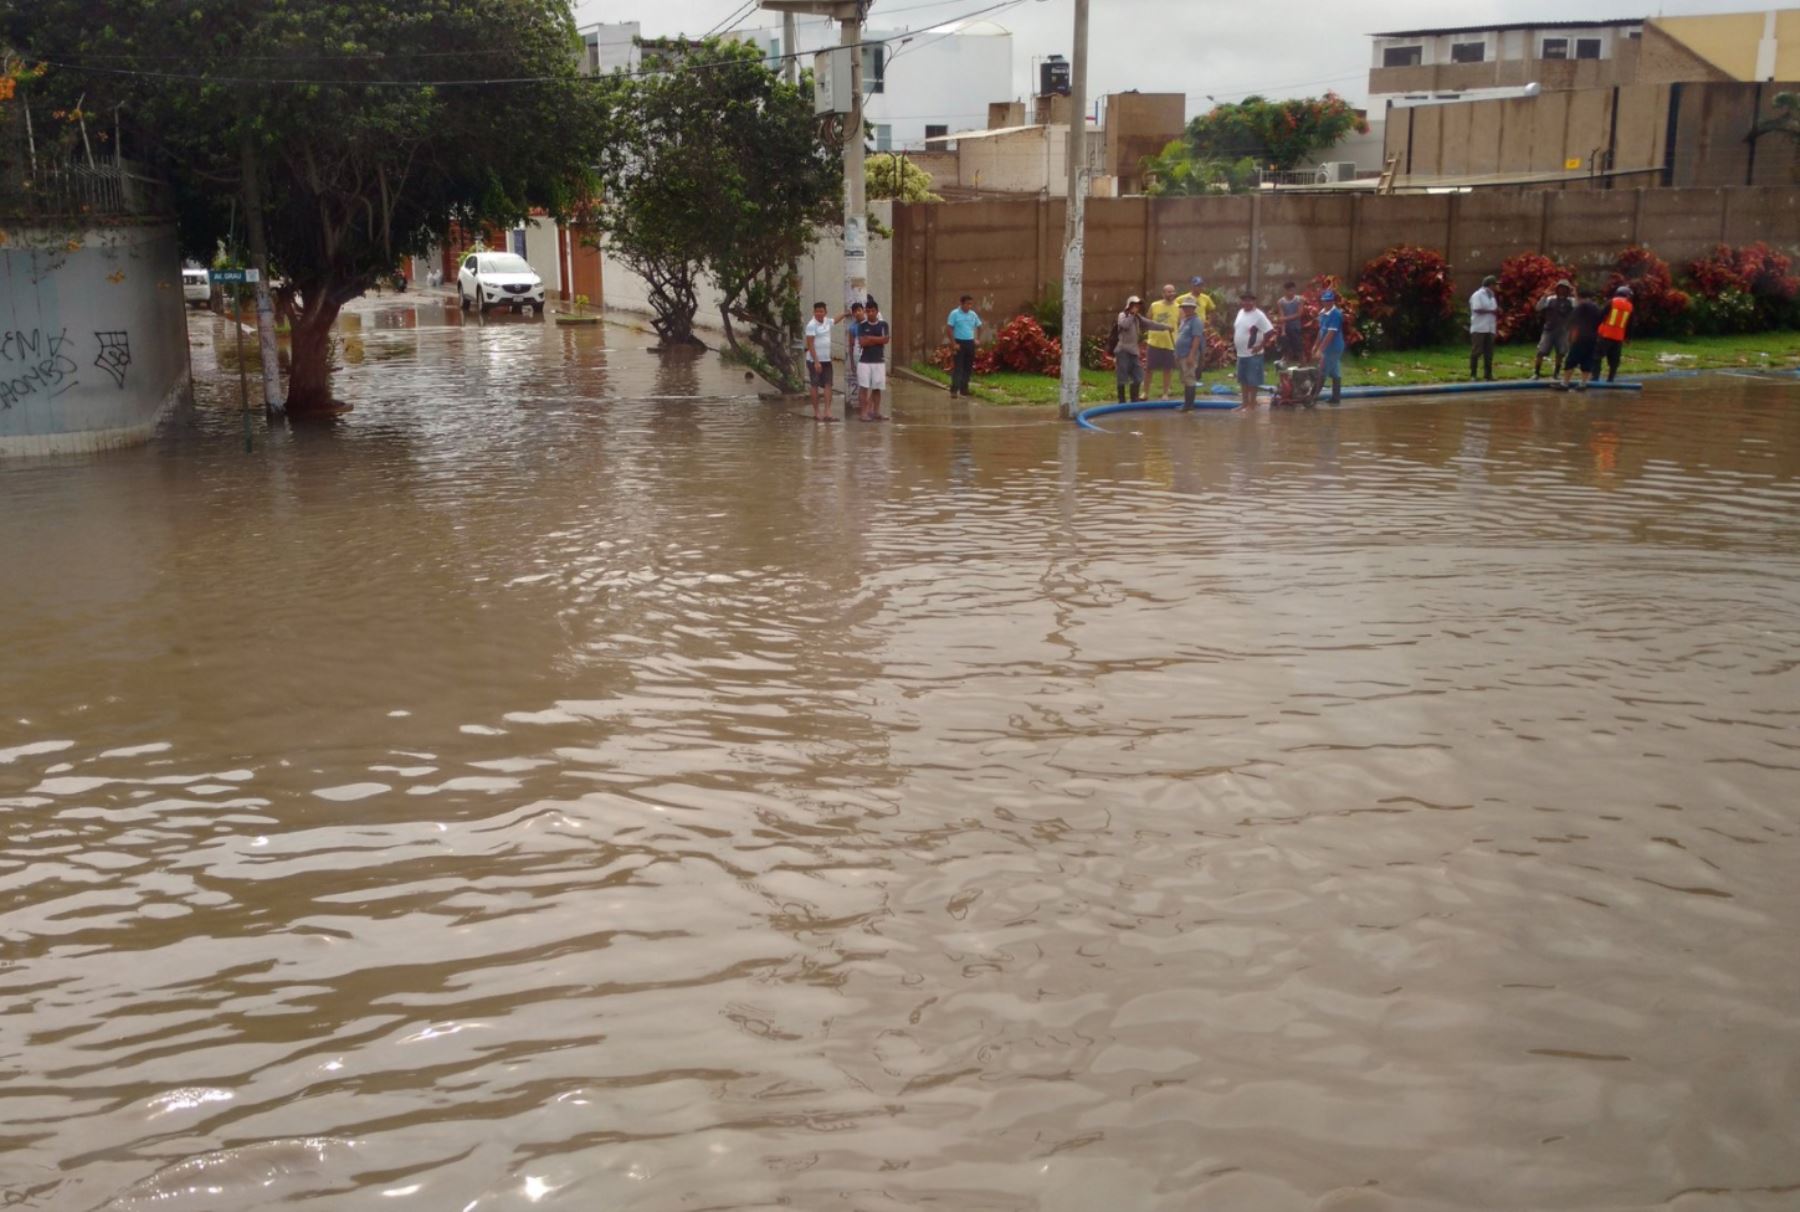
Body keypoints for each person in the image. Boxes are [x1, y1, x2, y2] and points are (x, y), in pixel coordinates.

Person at [1113, 295, 1171, 404]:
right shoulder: (1123, 315)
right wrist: (1131, 315)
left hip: (1134, 351)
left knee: (1138, 376)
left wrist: (1165, 327)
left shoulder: (1138, 318)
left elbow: (1151, 324)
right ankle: (1122, 401)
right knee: (1122, 377)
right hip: (1123, 351)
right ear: (1129, 305)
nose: (1136, 307)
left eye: (1138, 305)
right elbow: (1124, 325)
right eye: (1134, 305)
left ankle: (1134, 400)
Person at [1233, 290, 1272, 410]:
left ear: (1254, 301)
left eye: (1249, 300)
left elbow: (1270, 331)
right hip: (1241, 353)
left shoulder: (1259, 315)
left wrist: (1261, 346)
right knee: (1243, 380)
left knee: (1252, 380)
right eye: (1244, 300)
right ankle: (1244, 403)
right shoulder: (1240, 312)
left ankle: (1252, 404)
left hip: (1253, 354)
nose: (1247, 302)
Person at [1559, 287, 1604, 392]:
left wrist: (1569, 332)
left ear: (1579, 296)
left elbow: (1572, 321)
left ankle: (1565, 383)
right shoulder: (1597, 307)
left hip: (1580, 337)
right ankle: (1583, 384)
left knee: (1571, 360)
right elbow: (1600, 321)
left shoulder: (1581, 306)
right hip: (1593, 338)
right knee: (1587, 360)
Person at [856, 298, 890, 421]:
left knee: (877, 387)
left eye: (872, 311)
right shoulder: (861, 325)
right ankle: (863, 413)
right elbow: (862, 342)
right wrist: (877, 340)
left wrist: (870, 338)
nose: (870, 313)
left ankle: (876, 412)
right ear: (865, 312)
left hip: (879, 361)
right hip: (864, 361)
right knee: (864, 387)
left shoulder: (883, 324)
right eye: (868, 311)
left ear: (877, 311)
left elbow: (886, 340)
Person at [1533, 279, 1575, 379]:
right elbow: (1538, 308)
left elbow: (1577, 308)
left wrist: (1575, 294)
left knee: (1561, 353)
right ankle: (1536, 373)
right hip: (1549, 329)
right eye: (1560, 288)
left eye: (1564, 288)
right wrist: (1544, 296)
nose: (1562, 290)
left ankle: (1556, 373)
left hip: (1563, 330)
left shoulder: (1571, 301)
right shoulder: (1550, 299)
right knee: (1541, 351)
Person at [803, 301, 837, 423]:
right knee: (815, 385)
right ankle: (817, 412)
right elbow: (810, 344)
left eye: (821, 311)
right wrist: (816, 361)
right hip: (814, 361)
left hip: (827, 359)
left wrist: (846, 314)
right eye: (816, 311)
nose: (819, 313)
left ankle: (827, 411)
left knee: (828, 384)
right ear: (814, 312)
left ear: (825, 312)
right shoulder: (811, 325)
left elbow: (835, 320)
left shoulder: (827, 321)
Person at [1146, 284, 1182, 399]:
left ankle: (1165, 393)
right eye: (1168, 292)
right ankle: (1145, 392)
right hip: (1154, 342)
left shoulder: (1179, 308)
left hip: (1170, 343)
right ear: (1163, 293)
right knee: (1149, 369)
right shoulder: (1154, 305)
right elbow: (1148, 320)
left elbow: (1181, 324)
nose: (1171, 294)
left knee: (1167, 369)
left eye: (1173, 292)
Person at [1311, 288, 1346, 405]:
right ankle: (1336, 398)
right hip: (1327, 346)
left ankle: (1313, 397)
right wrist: (1315, 345)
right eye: (1325, 301)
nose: (1327, 303)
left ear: (1333, 301)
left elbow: (1330, 334)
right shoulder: (1322, 313)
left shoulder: (1336, 314)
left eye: (1329, 301)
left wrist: (1320, 350)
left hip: (1334, 347)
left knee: (1323, 370)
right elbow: (1321, 331)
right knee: (1335, 371)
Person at [944, 295, 983, 397]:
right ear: (961, 303)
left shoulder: (973, 314)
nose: (969, 306)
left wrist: (977, 339)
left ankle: (964, 389)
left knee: (968, 367)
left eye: (971, 304)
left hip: (970, 342)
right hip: (958, 343)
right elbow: (949, 329)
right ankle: (954, 390)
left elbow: (979, 326)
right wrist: (953, 343)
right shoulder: (954, 314)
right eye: (967, 304)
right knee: (958, 367)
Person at [1174, 296, 1205, 411]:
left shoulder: (1196, 321)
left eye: (1189, 307)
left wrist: (1191, 355)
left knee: (1189, 378)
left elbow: (1196, 339)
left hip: (1188, 354)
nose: (1186, 309)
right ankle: (1186, 403)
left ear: (1194, 308)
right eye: (1185, 307)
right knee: (1185, 378)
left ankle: (1189, 405)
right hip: (1181, 354)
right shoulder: (1184, 320)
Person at [1596, 285, 1633, 382]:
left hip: (1605, 334)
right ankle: (1610, 379)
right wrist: (1628, 337)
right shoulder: (1630, 306)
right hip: (1618, 337)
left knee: (1597, 356)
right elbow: (1630, 324)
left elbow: (1601, 315)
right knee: (1614, 360)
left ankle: (1595, 377)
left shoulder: (1611, 302)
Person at [1469, 274, 1499, 381]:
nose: (1497, 287)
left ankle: (1488, 374)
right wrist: (1492, 311)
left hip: (1490, 327)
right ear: (1490, 285)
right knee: (1477, 351)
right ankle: (1473, 374)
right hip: (1479, 328)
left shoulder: (1492, 297)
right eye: (1495, 285)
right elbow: (1477, 309)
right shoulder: (1477, 295)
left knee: (1489, 352)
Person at [841, 300, 866, 416]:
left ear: (863, 310)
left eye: (859, 310)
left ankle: (869, 409)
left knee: (872, 385)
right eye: (855, 311)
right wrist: (851, 362)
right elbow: (850, 346)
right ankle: (863, 410)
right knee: (862, 384)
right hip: (858, 357)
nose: (857, 313)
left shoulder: (869, 323)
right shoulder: (853, 327)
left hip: (871, 357)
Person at [1276, 281, 1306, 363]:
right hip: (1286, 327)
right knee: (1285, 346)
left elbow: (1299, 314)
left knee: (1298, 346)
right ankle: (1286, 361)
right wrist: (1283, 331)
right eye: (1289, 290)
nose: (1291, 292)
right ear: (1285, 291)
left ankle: (1302, 362)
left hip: (1296, 327)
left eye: (1292, 290)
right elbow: (1281, 316)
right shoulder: (1280, 302)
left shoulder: (1299, 299)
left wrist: (1285, 318)